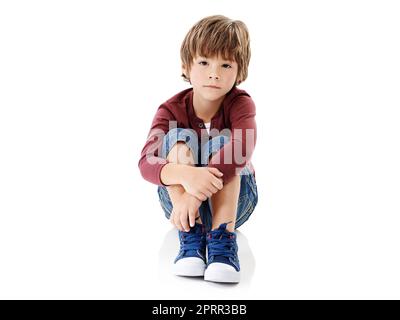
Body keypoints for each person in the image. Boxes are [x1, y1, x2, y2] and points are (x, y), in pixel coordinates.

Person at [138, 15, 258, 283]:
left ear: (239, 71)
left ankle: (223, 243)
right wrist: (186, 178)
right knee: (176, 136)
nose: (214, 73)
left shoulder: (241, 105)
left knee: (224, 143)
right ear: (186, 65)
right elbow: (146, 162)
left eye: (225, 64)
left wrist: (196, 194)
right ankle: (191, 238)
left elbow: (243, 146)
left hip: (236, 201)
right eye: (204, 62)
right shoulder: (169, 110)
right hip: (179, 205)